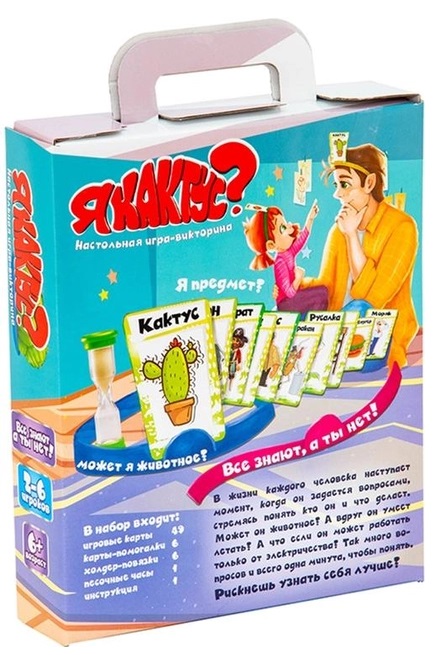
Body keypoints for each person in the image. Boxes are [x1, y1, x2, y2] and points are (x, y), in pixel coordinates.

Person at [301, 143, 419, 369]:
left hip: (380, 334)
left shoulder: (402, 227)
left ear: (370, 183)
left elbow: (372, 300)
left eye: (345, 184)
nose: (337, 194)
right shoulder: (338, 230)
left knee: (360, 308)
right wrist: (297, 286)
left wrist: (352, 236)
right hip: (337, 328)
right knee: (288, 309)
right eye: (336, 185)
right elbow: (326, 286)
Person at [243, 203, 328, 313]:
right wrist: (298, 278)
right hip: (286, 304)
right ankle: (309, 322)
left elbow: (302, 239)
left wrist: (310, 218)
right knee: (320, 296)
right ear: (271, 245)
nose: (289, 226)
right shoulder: (280, 262)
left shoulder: (288, 252)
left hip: (293, 299)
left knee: (323, 291)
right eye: (283, 228)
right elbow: (289, 292)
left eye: (285, 223)